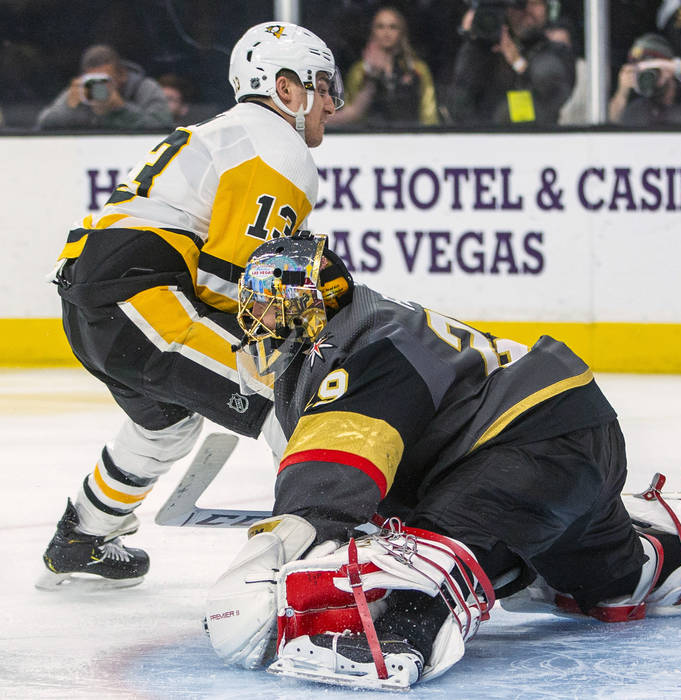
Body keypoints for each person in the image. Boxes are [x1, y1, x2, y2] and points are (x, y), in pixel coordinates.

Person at [203, 233, 681, 689]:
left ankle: (396, 636)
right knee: (610, 578)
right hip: (566, 440)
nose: (261, 321)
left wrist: (270, 548)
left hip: (528, 449)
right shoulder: (371, 330)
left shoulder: (363, 351)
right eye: (256, 305)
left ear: (321, 302)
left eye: (276, 303)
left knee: (417, 558)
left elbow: (335, 471)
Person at [37, 22, 344, 591]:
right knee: (291, 396)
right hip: (143, 300)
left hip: (98, 303)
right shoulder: (278, 148)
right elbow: (232, 288)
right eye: (320, 85)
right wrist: (305, 335)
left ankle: (82, 538)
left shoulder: (231, 133)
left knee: (166, 426)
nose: (331, 100)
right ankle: (334, 561)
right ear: (284, 88)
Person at [447, 0, 575, 125]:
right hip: (488, 138)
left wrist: (518, 62)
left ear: (548, 9)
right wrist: (474, 40)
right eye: (519, 4)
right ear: (505, 10)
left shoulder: (557, 52)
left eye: (535, 3)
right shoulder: (481, 52)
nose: (527, 11)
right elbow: (459, 105)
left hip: (539, 138)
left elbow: (555, 96)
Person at [327, 6, 438, 128]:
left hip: (413, 137)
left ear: (402, 32)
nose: (386, 33)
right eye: (380, 27)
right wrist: (372, 76)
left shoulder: (418, 69)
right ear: (372, 31)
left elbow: (429, 114)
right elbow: (350, 113)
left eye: (393, 27)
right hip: (369, 137)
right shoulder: (360, 70)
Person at [36, 44, 172, 130]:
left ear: (122, 75)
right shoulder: (81, 90)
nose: (98, 87)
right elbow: (44, 123)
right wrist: (70, 107)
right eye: (92, 80)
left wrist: (122, 108)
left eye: (105, 80)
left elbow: (163, 126)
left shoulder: (144, 88)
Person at [608, 32, 681, 126]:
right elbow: (607, 129)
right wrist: (622, 93)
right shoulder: (636, 111)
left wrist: (673, 66)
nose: (645, 77)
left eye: (651, 70)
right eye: (639, 72)